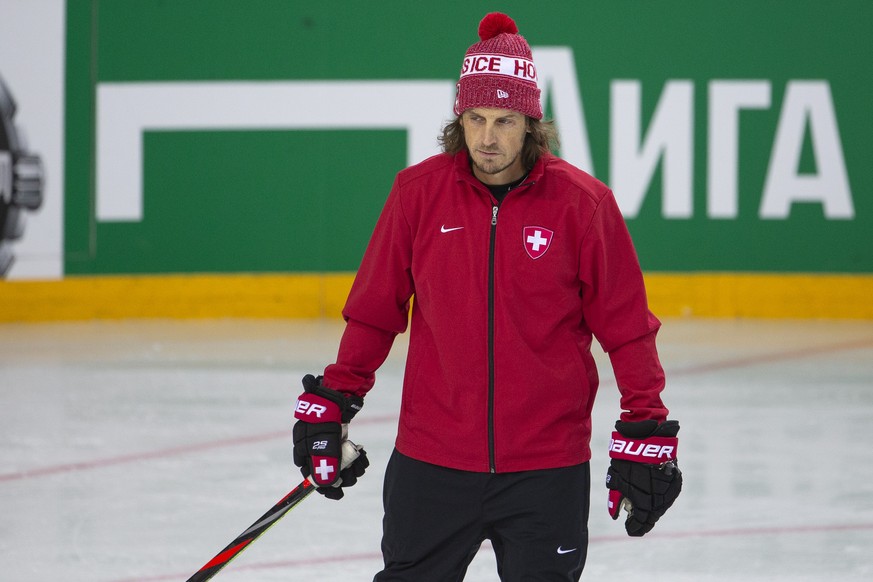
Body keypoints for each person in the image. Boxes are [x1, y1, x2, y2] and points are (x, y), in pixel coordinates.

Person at [292, 12, 682, 581]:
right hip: (432, 462)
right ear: (460, 117)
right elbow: (375, 313)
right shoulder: (417, 195)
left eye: (504, 120)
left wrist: (645, 424)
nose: (487, 137)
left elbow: (627, 329)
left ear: (530, 123)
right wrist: (336, 396)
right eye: (475, 118)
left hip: (545, 469)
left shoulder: (584, 205)